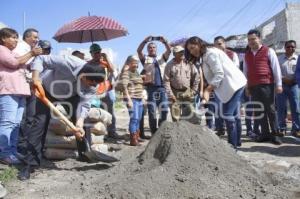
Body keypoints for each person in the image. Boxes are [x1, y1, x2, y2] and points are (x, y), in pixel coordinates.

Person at [17, 54, 105, 180]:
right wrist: (36, 78)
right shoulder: (68, 62)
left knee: (83, 123)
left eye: (95, 83)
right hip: (46, 90)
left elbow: (84, 104)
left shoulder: (93, 84)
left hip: (72, 95)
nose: (92, 86)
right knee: (39, 124)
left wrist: (79, 124)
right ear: (83, 75)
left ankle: (85, 153)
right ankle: (29, 164)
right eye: (90, 82)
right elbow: (41, 59)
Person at [185, 36, 246, 148]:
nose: (192, 52)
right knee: (231, 115)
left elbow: (219, 74)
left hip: (234, 84)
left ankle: (233, 145)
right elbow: (211, 76)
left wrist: (208, 90)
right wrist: (206, 94)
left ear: (199, 44)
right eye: (189, 50)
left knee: (228, 114)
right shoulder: (204, 56)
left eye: (193, 48)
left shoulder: (210, 54)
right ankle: (236, 142)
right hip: (227, 87)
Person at [0, 28, 42, 165]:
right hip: (8, 90)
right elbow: (13, 63)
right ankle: (4, 153)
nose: (16, 40)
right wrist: (31, 53)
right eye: (12, 37)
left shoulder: (14, 53)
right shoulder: (1, 50)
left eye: (16, 37)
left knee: (16, 123)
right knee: (7, 122)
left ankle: (12, 151)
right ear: (3, 39)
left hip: (20, 91)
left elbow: (22, 64)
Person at [243, 29, 283, 145]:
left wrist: (279, 84)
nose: (251, 42)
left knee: (270, 110)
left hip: (267, 84)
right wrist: (247, 87)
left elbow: (276, 69)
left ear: (259, 38)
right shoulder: (247, 55)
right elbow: (246, 72)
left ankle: (275, 134)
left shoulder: (268, 51)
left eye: (253, 39)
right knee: (259, 110)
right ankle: (265, 134)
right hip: (253, 86)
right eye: (249, 40)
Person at [137, 36, 171, 134]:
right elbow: (139, 51)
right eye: (150, 48)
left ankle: (161, 129)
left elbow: (169, 50)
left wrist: (164, 41)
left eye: (153, 47)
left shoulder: (162, 58)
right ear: (148, 49)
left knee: (164, 109)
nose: (152, 49)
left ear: (156, 49)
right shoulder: (145, 59)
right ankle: (154, 132)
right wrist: (145, 41)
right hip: (151, 89)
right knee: (152, 112)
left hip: (162, 88)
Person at [88, 44, 118, 139]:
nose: (97, 54)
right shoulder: (88, 64)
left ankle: (112, 132)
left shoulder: (104, 63)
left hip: (107, 90)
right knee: (99, 114)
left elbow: (112, 70)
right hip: (95, 93)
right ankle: (101, 133)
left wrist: (106, 57)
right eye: (95, 52)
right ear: (91, 53)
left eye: (99, 52)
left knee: (110, 113)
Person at [164, 45, 200, 122]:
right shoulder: (169, 65)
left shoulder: (189, 63)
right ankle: (177, 130)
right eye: (179, 52)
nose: (182, 53)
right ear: (174, 54)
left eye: (182, 52)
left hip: (188, 91)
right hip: (174, 92)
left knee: (190, 112)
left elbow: (196, 77)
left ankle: (190, 131)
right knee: (175, 114)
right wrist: (170, 94)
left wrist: (194, 90)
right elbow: (166, 81)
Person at [213, 36, 240, 135]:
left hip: (232, 86)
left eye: (219, 44)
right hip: (219, 87)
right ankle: (220, 129)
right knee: (219, 108)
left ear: (225, 44)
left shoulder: (232, 54)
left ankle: (235, 135)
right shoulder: (213, 56)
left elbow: (235, 69)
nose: (218, 46)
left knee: (233, 111)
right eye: (215, 45)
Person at [276, 40, 300, 138]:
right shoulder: (279, 58)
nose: (290, 48)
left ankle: (296, 129)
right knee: (281, 108)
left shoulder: (298, 58)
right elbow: (276, 71)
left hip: (294, 85)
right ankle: (282, 128)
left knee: (296, 108)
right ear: (284, 48)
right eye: (288, 47)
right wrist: (283, 79)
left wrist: (294, 79)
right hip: (282, 86)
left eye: (292, 47)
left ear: (295, 47)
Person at [120, 55, 144, 146]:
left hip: (139, 98)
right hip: (132, 98)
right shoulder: (127, 72)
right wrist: (129, 100)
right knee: (134, 119)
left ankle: (137, 137)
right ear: (129, 63)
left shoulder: (136, 72)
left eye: (137, 62)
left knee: (139, 119)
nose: (136, 63)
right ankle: (133, 140)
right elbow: (124, 87)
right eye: (134, 62)